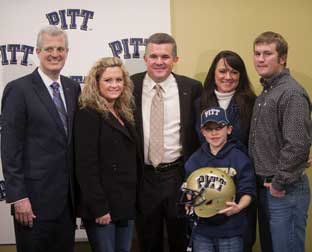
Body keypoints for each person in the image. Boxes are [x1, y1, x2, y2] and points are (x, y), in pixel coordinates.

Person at [1, 25, 81, 252]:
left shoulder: (72, 88)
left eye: (60, 49)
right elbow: (9, 148)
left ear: (67, 52)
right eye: (48, 49)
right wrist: (19, 197)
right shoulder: (18, 89)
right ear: (37, 52)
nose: (55, 54)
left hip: (66, 204)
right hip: (33, 203)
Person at [131, 32, 203, 252]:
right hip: (143, 178)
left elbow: (201, 134)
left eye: (165, 56)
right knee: (147, 241)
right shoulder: (129, 86)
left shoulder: (191, 88)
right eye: (153, 56)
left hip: (178, 177)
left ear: (175, 59)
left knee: (180, 240)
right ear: (145, 59)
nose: (159, 62)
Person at [249, 31, 311, 252]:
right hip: (267, 187)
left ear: (282, 58)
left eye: (267, 53)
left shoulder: (291, 93)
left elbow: (297, 145)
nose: (260, 59)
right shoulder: (267, 91)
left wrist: (279, 183)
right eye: (257, 53)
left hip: (284, 190)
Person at [196, 50, 259, 252]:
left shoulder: (252, 102)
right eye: (222, 71)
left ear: (241, 75)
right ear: (213, 73)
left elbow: (263, 138)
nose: (228, 77)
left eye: (234, 72)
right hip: (206, 186)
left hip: (241, 183)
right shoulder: (198, 103)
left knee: (240, 241)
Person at [75, 57, 139, 252]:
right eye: (108, 80)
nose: (114, 85)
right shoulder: (88, 114)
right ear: (96, 83)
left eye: (119, 80)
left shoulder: (124, 112)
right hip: (103, 208)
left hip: (125, 204)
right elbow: (86, 166)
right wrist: (99, 207)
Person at [185, 107, 256, 252]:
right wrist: (190, 201)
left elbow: (248, 190)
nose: (214, 132)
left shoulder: (239, 157)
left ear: (229, 129)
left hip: (231, 229)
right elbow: (189, 188)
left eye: (219, 127)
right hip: (202, 230)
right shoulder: (196, 159)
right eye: (209, 128)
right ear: (203, 132)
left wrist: (239, 207)